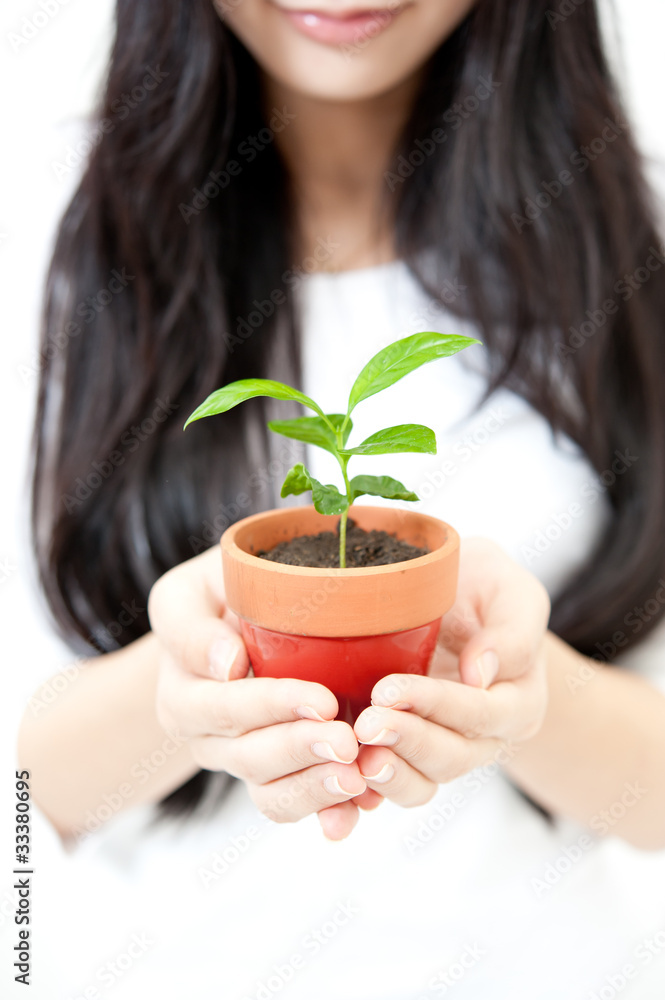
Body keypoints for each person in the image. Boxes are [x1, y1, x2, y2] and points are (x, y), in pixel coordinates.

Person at [17, 1, 665, 997]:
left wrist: (521, 694)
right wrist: (181, 690)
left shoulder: (614, 247)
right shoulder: (43, 231)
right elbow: (23, 798)